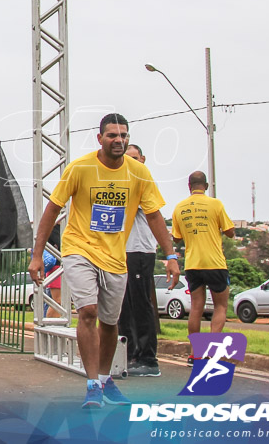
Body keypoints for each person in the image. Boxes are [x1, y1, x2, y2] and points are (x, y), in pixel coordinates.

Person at [28, 113, 180, 410]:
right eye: (112, 135)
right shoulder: (80, 168)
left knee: (110, 323)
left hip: (115, 256)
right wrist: (37, 254)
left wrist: (171, 255)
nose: (119, 140)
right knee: (88, 311)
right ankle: (92, 385)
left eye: (124, 135)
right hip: (79, 248)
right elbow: (52, 208)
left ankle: (105, 379)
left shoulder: (138, 173)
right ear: (100, 139)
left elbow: (153, 216)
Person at [172, 171, 236, 346]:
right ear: (206, 186)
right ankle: (213, 348)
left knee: (196, 308)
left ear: (189, 186)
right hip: (215, 262)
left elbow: (176, 238)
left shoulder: (179, 208)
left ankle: (195, 353)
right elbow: (230, 232)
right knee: (220, 306)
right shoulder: (215, 204)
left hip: (193, 264)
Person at [117, 143, 161, 377]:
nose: (131, 162)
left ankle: (148, 358)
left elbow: (153, 215)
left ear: (142, 159)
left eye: (135, 158)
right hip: (121, 251)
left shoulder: (145, 184)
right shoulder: (122, 184)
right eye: (127, 158)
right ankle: (128, 353)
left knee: (141, 305)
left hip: (140, 251)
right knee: (123, 307)